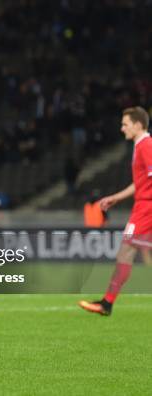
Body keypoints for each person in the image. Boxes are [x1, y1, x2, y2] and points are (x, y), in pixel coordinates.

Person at [79, 107, 152, 315]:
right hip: (142, 207)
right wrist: (115, 198)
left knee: (126, 251)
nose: (122, 129)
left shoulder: (146, 145)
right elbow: (141, 183)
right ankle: (107, 303)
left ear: (138, 125)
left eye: (125, 124)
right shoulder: (141, 146)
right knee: (126, 250)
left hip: (146, 209)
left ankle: (107, 303)